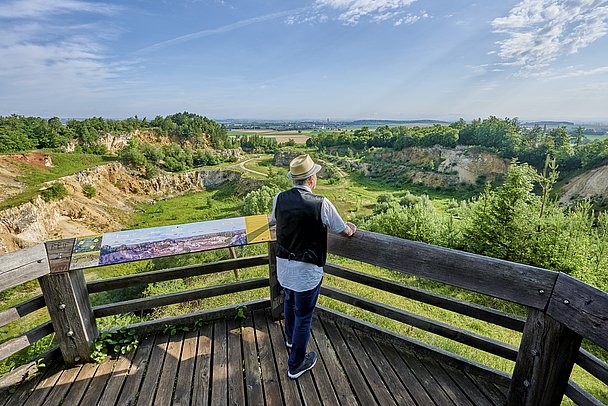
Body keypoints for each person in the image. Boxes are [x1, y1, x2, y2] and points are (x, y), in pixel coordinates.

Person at [270, 154, 356, 379]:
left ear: (294, 179)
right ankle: (296, 364)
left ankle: (289, 339)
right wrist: (351, 228)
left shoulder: (279, 198)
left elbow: (272, 220)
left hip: (284, 267)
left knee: (289, 300)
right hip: (307, 270)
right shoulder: (321, 203)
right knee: (304, 316)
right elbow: (343, 230)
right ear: (311, 179)